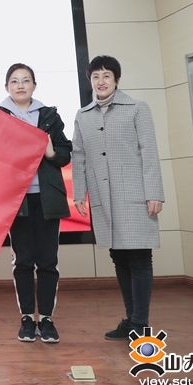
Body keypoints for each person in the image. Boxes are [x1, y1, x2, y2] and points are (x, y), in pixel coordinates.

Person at [72, 55, 164, 340]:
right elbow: (79, 156)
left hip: (135, 195)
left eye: (106, 76)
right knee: (119, 257)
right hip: (103, 196)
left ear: (117, 79)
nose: (101, 81)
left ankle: (140, 323)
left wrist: (154, 193)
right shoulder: (83, 115)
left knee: (139, 257)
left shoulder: (137, 108)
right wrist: (78, 193)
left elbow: (149, 151)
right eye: (95, 76)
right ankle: (132, 319)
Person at [0, 63, 72, 344]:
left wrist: (52, 153)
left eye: (26, 80)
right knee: (23, 261)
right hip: (17, 200)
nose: (20, 85)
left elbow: (65, 154)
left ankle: (47, 319)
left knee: (48, 261)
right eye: (15, 81)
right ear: (7, 87)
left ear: (34, 86)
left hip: (47, 198)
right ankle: (28, 318)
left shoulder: (49, 116)